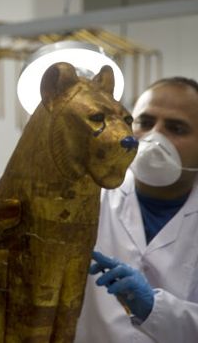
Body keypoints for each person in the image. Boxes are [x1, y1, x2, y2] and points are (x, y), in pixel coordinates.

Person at [75, 76, 198, 342]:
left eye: (176, 128)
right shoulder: (89, 197)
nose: (155, 137)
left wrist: (157, 310)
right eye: (145, 122)